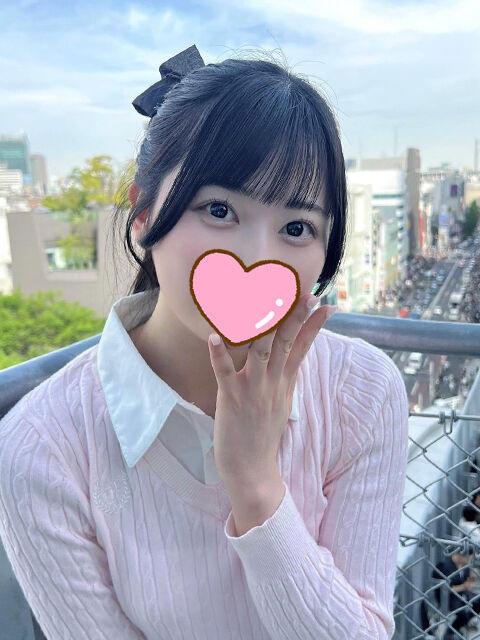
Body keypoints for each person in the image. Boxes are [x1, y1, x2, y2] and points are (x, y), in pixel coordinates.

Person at [0, 45, 410, 640]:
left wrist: (255, 484)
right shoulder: (40, 449)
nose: (256, 258)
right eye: (219, 209)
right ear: (143, 214)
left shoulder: (361, 392)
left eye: (297, 227)